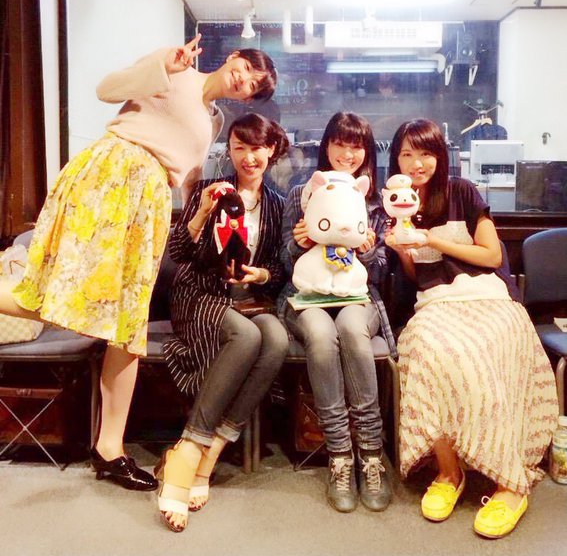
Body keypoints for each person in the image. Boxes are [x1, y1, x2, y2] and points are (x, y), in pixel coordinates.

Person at [0, 36, 277, 491]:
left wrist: (200, 210)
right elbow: (107, 89)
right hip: (113, 176)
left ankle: (110, 449)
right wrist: (162, 66)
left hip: (149, 198)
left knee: (128, 324)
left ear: (248, 98)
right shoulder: (176, 71)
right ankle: (109, 448)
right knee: (54, 297)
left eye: (253, 86)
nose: (244, 80)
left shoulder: (213, 120)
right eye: (246, 68)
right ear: (233, 58)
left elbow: (185, 174)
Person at [386, 118, 558, 539]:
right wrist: (403, 249)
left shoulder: (461, 192)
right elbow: (415, 278)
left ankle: (509, 482)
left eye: (425, 153)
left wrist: (430, 239)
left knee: (489, 349)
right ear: (396, 161)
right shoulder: (396, 204)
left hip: (487, 297)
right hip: (435, 303)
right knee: (427, 350)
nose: (416, 163)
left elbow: (491, 255)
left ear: (439, 156)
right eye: (406, 154)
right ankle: (450, 472)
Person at [159, 112, 289, 532]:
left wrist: (260, 275)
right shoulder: (210, 191)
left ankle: (212, 449)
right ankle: (189, 449)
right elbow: (178, 253)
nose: (249, 157)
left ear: (271, 149)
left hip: (249, 299)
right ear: (229, 151)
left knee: (277, 339)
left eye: (257, 148)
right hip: (200, 294)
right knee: (247, 336)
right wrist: (200, 212)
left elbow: (278, 268)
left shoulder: (277, 204)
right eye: (239, 147)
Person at [280, 111, 396, 513]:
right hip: (306, 295)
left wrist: (368, 251)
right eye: (339, 144)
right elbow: (283, 263)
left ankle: (371, 454)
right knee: (320, 334)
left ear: (366, 152)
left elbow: (381, 272)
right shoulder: (303, 193)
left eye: (356, 146)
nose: (347, 154)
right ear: (326, 146)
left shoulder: (374, 200)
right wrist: (298, 243)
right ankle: (340, 456)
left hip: (357, 298)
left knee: (350, 330)